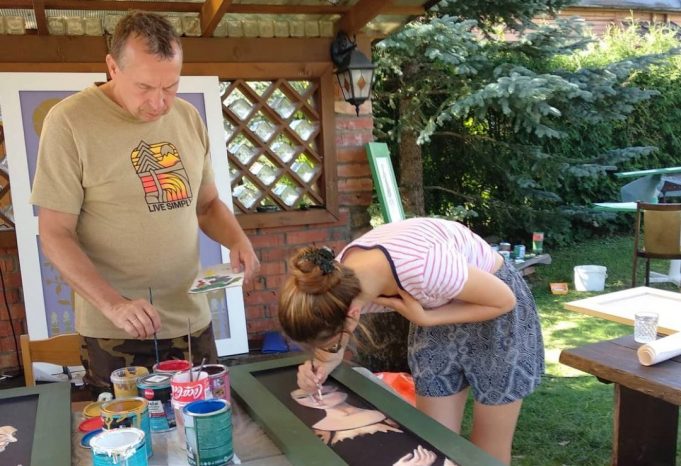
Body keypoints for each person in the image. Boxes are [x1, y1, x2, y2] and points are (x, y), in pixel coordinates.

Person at [30, 11, 259, 394]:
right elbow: (55, 233)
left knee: (204, 422)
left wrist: (238, 239)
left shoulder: (188, 117)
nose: (159, 102)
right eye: (144, 87)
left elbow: (207, 205)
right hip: (116, 329)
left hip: (191, 321)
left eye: (171, 86)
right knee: (129, 430)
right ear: (112, 67)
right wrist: (114, 305)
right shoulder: (69, 122)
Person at [278, 217, 544, 465]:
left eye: (331, 342)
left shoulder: (422, 267)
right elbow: (335, 337)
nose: (329, 347)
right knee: (434, 442)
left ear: (352, 315)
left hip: (494, 310)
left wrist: (426, 318)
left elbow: (505, 301)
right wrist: (321, 366)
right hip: (433, 304)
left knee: (486, 452)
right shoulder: (332, 286)